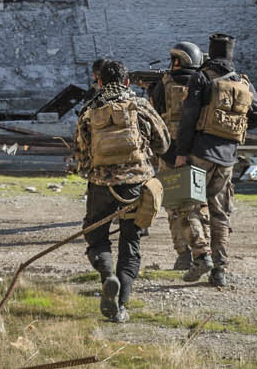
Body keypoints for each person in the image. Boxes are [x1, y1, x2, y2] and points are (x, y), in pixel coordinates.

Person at [169, 31, 257, 289]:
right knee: (220, 214)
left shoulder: (201, 78)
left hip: (199, 154)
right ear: (231, 54)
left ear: (209, 54)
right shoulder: (243, 82)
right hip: (227, 158)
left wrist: (181, 152)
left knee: (186, 206)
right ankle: (220, 271)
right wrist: (234, 132)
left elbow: (189, 119)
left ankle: (201, 256)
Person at [72, 57, 170, 322]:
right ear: (127, 82)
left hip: (101, 185)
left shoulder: (90, 109)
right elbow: (164, 143)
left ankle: (108, 277)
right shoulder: (140, 106)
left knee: (95, 235)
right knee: (131, 242)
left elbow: (80, 154)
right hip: (136, 186)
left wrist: (92, 174)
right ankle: (121, 306)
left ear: (100, 81)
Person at [155, 41, 210, 278]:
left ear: (178, 61)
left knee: (176, 208)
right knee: (198, 205)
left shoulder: (163, 85)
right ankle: (203, 251)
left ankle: (192, 254)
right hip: (199, 154)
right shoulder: (205, 83)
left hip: (170, 155)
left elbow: (155, 118)